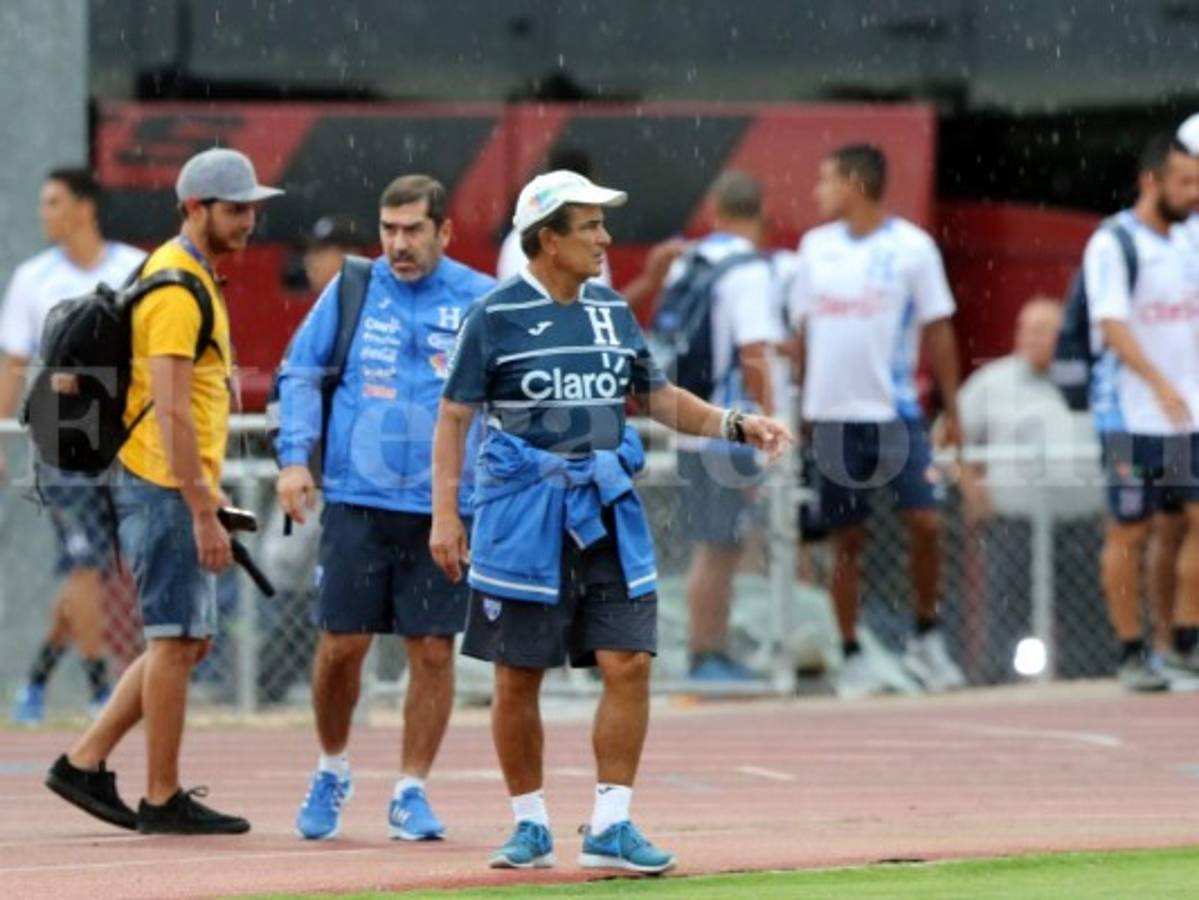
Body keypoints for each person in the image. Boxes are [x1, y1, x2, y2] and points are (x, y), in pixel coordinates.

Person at [430, 168, 792, 873]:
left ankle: (611, 823)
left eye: (602, 222)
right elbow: (453, 418)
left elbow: (655, 398)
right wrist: (446, 513)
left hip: (604, 509)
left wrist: (736, 424)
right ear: (547, 240)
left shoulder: (611, 312)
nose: (605, 237)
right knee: (517, 675)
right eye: (589, 225)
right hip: (520, 520)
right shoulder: (493, 315)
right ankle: (528, 823)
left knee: (627, 663)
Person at [43, 147, 282, 834]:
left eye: (251, 209)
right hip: (164, 485)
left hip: (163, 482)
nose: (249, 222)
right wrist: (202, 507)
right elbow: (172, 409)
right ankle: (161, 797)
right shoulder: (177, 289)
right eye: (236, 210)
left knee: (185, 641)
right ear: (194, 209)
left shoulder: (185, 276)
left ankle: (85, 762)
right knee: (176, 640)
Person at [276, 175, 495, 842]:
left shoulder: (481, 300)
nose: (397, 244)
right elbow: (299, 370)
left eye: (412, 230)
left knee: (432, 651)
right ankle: (332, 767)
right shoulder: (352, 288)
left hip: (442, 508)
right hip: (355, 499)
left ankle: (410, 791)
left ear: (443, 231)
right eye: (389, 230)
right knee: (341, 647)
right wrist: (293, 456)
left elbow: (514, 395)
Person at [788, 143, 966, 699]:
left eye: (826, 181)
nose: (817, 193)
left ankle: (926, 635)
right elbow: (799, 334)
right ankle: (851, 652)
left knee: (927, 522)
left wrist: (954, 409)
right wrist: (798, 408)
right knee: (846, 538)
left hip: (896, 412)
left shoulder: (912, 249)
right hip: (833, 418)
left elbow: (938, 329)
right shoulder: (813, 249)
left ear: (855, 184)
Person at [0, 167, 145, 723]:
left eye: (54, 202)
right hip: (62, 440)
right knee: (84, 563)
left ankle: (35, 683)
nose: (45, 214)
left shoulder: (131, 267)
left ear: (84, 207)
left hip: (122, 440)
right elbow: (15, 362)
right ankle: (99, 689)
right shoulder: (32, 278)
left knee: (93, 570)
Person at [1086, 133, 1199, 690]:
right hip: (1130, 415)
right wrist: (1157, 382)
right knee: (1131, 530)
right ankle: (1131, 651)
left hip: (1188, 415)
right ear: (1152, 182)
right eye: (1186, 182)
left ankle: (1184, 639)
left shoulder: (1187, 243)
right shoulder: (1114, 242)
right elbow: (1112, 322)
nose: (1195, 193)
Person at [669, 171, 783, 681]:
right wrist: (771, 424)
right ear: (760, 214)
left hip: (688, 420)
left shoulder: (689, 262)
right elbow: (754, 351)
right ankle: (705, 654)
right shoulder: (748, 271)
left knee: (719, 544)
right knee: (718, 548)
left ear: (714, 209)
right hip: (727, 427)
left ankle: (711, 650)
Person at [956, 297, 1104, 681]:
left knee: (1087, 614)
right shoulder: (992, 382)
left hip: (1080, 522)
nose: (1033, 339)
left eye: (1044, 331)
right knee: (1007, 610)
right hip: (1014, 523)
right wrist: (972, 486)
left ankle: (1087, 679)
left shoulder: (1089, 378)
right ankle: (996, 683)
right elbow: (948, 438)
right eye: (1028, 330)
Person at [258, 214, 370, 705]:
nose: (309, 260)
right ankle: (276, 672)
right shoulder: (323, 311)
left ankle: (276, 675)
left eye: (321, 251)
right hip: (313, 466)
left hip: (347, 472)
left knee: (318, 572)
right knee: (282, 566)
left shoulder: (362, 309)